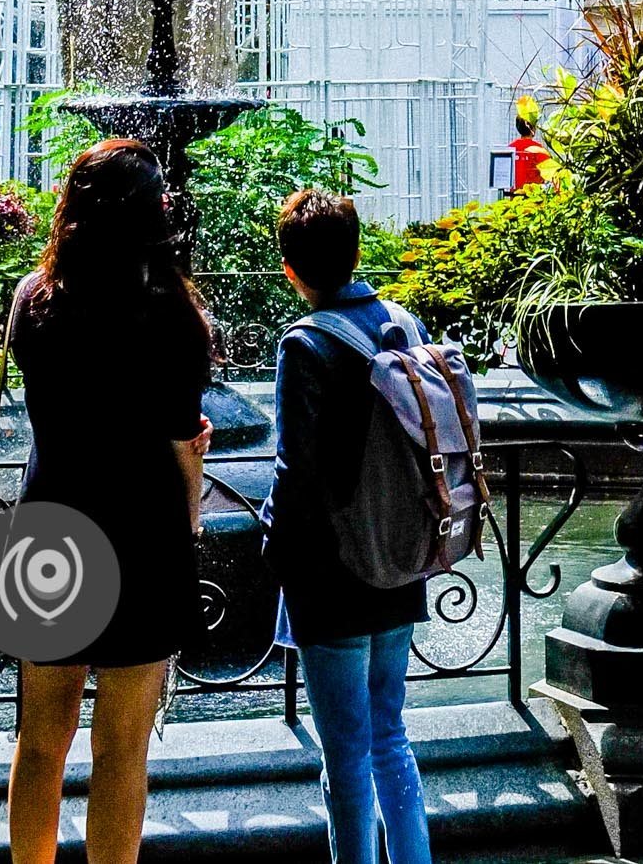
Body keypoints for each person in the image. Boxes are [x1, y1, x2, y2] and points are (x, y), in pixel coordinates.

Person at [5, 139, 212, 864]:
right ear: (153, 215)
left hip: (51, 527)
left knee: (40, 741)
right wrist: (191, 514)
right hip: (143, 536)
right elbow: (184, 440)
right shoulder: (176, 317)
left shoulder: (35, 298)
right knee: (121, 748)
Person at [265, 188, 432, 864]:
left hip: (332, 575)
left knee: (344, 752)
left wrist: (273, 552)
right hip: (401, 556)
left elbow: (293, 472)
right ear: (358, 249)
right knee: (389, 734)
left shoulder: (305, 344)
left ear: (290, 269)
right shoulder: (404, 325)